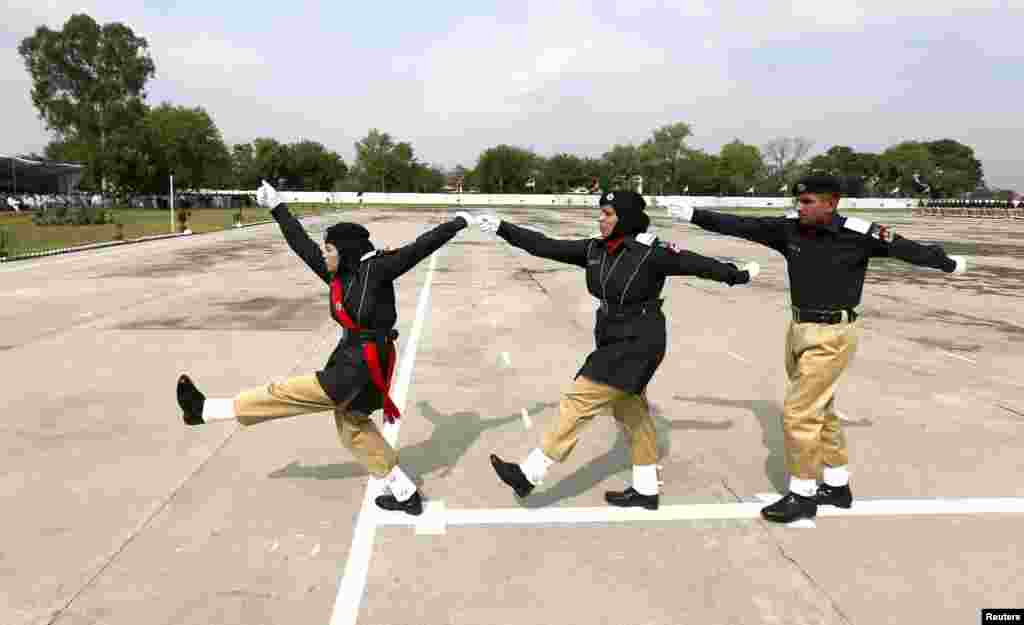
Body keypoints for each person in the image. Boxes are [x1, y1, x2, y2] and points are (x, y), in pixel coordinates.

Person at [669, 173, 968, 523]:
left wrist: (948, 264)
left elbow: (908, 249)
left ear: (832, 203)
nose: (801, 207)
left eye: (809, 202)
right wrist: (694, 215)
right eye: (800, 201)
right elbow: (743, 225)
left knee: (798, 413)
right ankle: (838, 486)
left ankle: (802, 494)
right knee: (820, 408)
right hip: (799, 329)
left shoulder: (860, 234)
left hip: (833, 334)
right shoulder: (790, 230)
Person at [176, 180, 477, 516]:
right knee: (352, 428)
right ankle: (405, 492)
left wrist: (457, 222)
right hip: (352, 360)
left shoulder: (377, 270)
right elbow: (301, 245)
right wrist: (278, 207)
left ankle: (205, 411)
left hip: (361, 367)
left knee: (285, 392)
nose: (324, 254)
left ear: (345, 251)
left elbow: (420, 247)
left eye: (330, 249)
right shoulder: (336, 275)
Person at [484, 190, 761, 510]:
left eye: (608, 214)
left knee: (580, 398)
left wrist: (737, 275)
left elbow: (696, 264)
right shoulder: (595, 249)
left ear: (625, 218)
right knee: (632, 413)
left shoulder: (650, 252)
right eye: (601, 213)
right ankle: (646, 490)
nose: (601, 220)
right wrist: (503, 228)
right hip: (611, 336)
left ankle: (529, 473)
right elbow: (546, 245)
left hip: (640, 340)